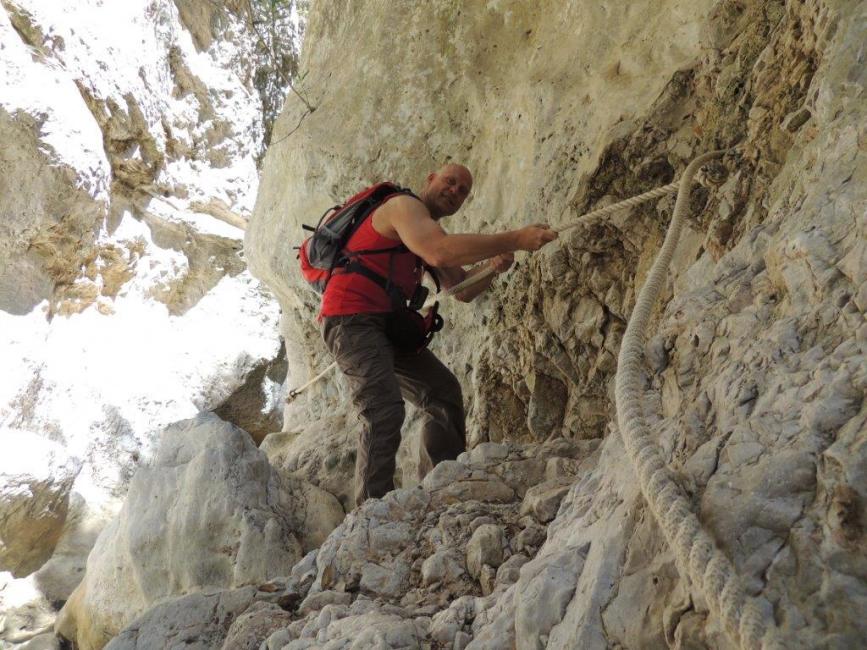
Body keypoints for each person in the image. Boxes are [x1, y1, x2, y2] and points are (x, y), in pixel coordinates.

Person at [320, 163, 558, 506]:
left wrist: (492, 267)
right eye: (450, 181)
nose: (454, 191)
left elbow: (461, 288)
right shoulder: (403, 207)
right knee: (383, 408)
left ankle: (441, 488)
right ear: (430, 179)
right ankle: (370, 512)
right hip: (351, 319)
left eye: (462, 191)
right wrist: (516, 239)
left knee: (442, 392)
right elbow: (439, 251)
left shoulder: (424, 232)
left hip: (386, 325)